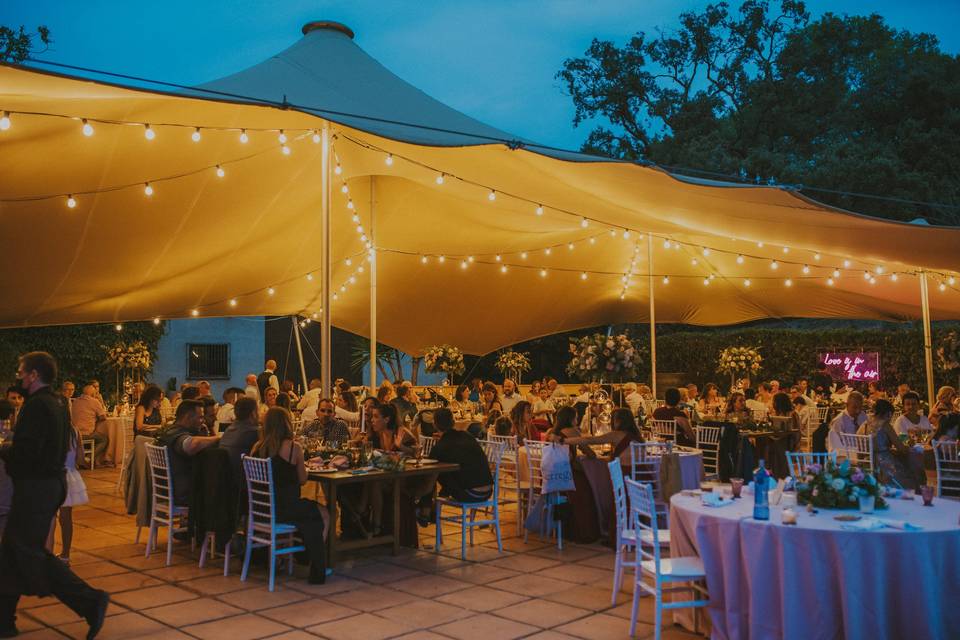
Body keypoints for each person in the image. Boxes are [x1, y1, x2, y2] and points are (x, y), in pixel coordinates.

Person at [0, 352, 109, 638]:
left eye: (22, 372)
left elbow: (27, 453)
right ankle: (5, 621)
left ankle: (91, 601)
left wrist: (2, 449)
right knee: (12, 553)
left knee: (29, 552)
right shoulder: (58, 403)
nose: (19, 377)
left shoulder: (37, 406)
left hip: (37, 487)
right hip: (48, 484)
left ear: (34, 375)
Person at [250, 408, 328, 584]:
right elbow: (302, 480)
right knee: (323, 513)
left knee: (309, 510)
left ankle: (289, 557)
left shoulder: (257, 447)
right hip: (285, 509)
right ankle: (316, 563)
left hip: (261, 509)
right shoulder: (293, 448)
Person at [156, 400, 221, 507]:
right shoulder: (177, 434)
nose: (202, 421)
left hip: (168, 489)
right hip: (183, 493)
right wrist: (219, 438)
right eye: (200, 417)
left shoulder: (167, 431)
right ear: (187, 417)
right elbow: (190, 445)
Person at [429, 408, 493, 504]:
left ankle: (426, 508)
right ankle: (432, 503)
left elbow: (430, 466)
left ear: (434, 424)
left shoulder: (440, 447)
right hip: (487, 491)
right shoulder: (466, 435)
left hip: (470, 494)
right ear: (453, 421)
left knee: (435, 472)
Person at [860, 400, 925, 490]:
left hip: (866, 462)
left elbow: (859, 443)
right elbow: (901, 448)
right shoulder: (886, 425)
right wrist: (912, 448)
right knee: (913, 466)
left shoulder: (865, 424)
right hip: (884, 464)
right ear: (888, 413)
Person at [47, 425, 88, 565]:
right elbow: (81, 459)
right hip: (70, 476)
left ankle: (48, 554)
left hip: (52, 476)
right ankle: (65, 555)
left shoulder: (50, 428)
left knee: (49, 519)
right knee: (66, 519)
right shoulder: (75, 430)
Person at [219, 397, 261, 483]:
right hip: (247, 484)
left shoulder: (228, 430)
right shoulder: (255, 432)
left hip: (228, 482)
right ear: (253, 413)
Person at [70, 384, 108, 466]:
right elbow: (103, 417)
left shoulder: (75, 401)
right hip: (86, 433)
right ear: (93, 394)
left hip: (74, 433)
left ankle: (81, 459)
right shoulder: (94, 401)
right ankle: (88, 458)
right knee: (104, 439)